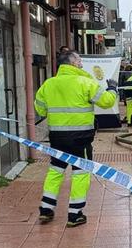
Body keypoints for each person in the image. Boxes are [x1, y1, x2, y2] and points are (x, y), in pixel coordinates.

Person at [34, 51, 117, 227]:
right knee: (80, 174)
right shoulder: (85, 82)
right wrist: (112, 88)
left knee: (55, 171)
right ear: (72, 63)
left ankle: (46, 209)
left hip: (57, 138)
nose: (81, 63)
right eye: (79, 60)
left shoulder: (49, 84)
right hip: (81, 139)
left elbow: (40, 110)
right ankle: (74, 214)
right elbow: (107, 102)